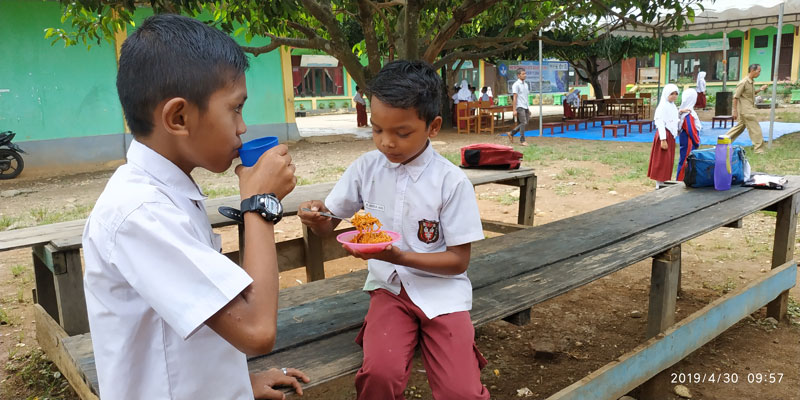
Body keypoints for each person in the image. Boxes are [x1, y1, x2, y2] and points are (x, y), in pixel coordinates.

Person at [82, 14, 309, 400]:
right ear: (179, 117)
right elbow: (256, 331)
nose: (242, 127)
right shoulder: (140, 214)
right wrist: (261, 204)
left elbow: (199, 316)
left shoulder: (167, 194)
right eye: (235, 109)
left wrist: (237, 383)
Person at [298, 60, 490, 400]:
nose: (387, 143)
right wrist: (317, 219)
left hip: (443, 294)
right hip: (389, 290)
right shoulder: (366, 169)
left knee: (461, 392)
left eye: (401, 133)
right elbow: (330, 223)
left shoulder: (450, 183)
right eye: (377, 130)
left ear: (433, 127)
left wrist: (400, 255)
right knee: (379, 375)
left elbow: (458, 262)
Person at [726, 64, 768, 153]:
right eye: (758, 71)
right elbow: (735, 97)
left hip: (748, 109)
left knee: (739, 128)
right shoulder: (743, 82)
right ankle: (759, 149)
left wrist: (760, 89)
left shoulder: (751, 82)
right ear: (752, 70)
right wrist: (734, 111)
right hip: (746, 111)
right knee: (755, 129)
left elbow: (750, 94)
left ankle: (723, 142)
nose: (759, 73)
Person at [647, 84, 681, 189]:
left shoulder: (672, 106)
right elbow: (660, 122)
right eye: (672, 94)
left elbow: (673, 119)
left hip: (670, 135)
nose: (674, 96)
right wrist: (663, 139)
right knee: (661, 160)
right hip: (664, 135)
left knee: (667, 160)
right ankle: (659, 183)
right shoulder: (662, 106)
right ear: (666, 94)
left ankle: (664, 181)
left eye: (676, 94)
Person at [676, 88, 702, 181]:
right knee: (686, 160)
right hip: (689, 141)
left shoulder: (685, 112)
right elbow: (691, 130)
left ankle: (686, 178)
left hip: (687, 140)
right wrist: (697, 141)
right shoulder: (688, 114)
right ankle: (681, 179)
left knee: (686, 159)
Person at [509, 68, 530, 146]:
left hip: (525, 106)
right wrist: (514, 110)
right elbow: (515, 97)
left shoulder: (526, 84)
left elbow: (525, 97)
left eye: (525, 73)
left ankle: (511, 133)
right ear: (518, 75)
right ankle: (522, 140)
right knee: (523, 122)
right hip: (520, 106)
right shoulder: (516, 85)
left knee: (525, 122)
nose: (525, 75)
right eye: (523, 74)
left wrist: (528, 108)